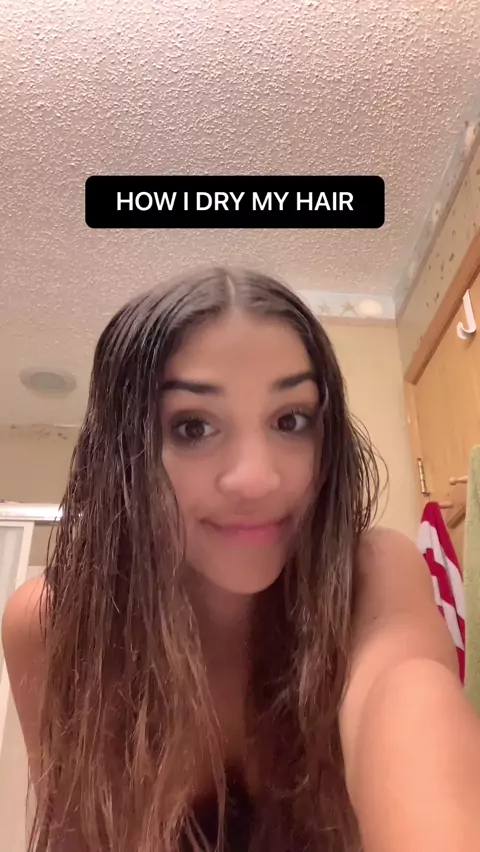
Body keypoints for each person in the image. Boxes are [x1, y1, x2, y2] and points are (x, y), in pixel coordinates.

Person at [2, 266, 480, 852]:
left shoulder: (370, 575)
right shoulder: (54, 623)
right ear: (123, 456)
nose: (257, 478)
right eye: (193, 427)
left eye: (290, 420)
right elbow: (73, 835)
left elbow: (405, 697)